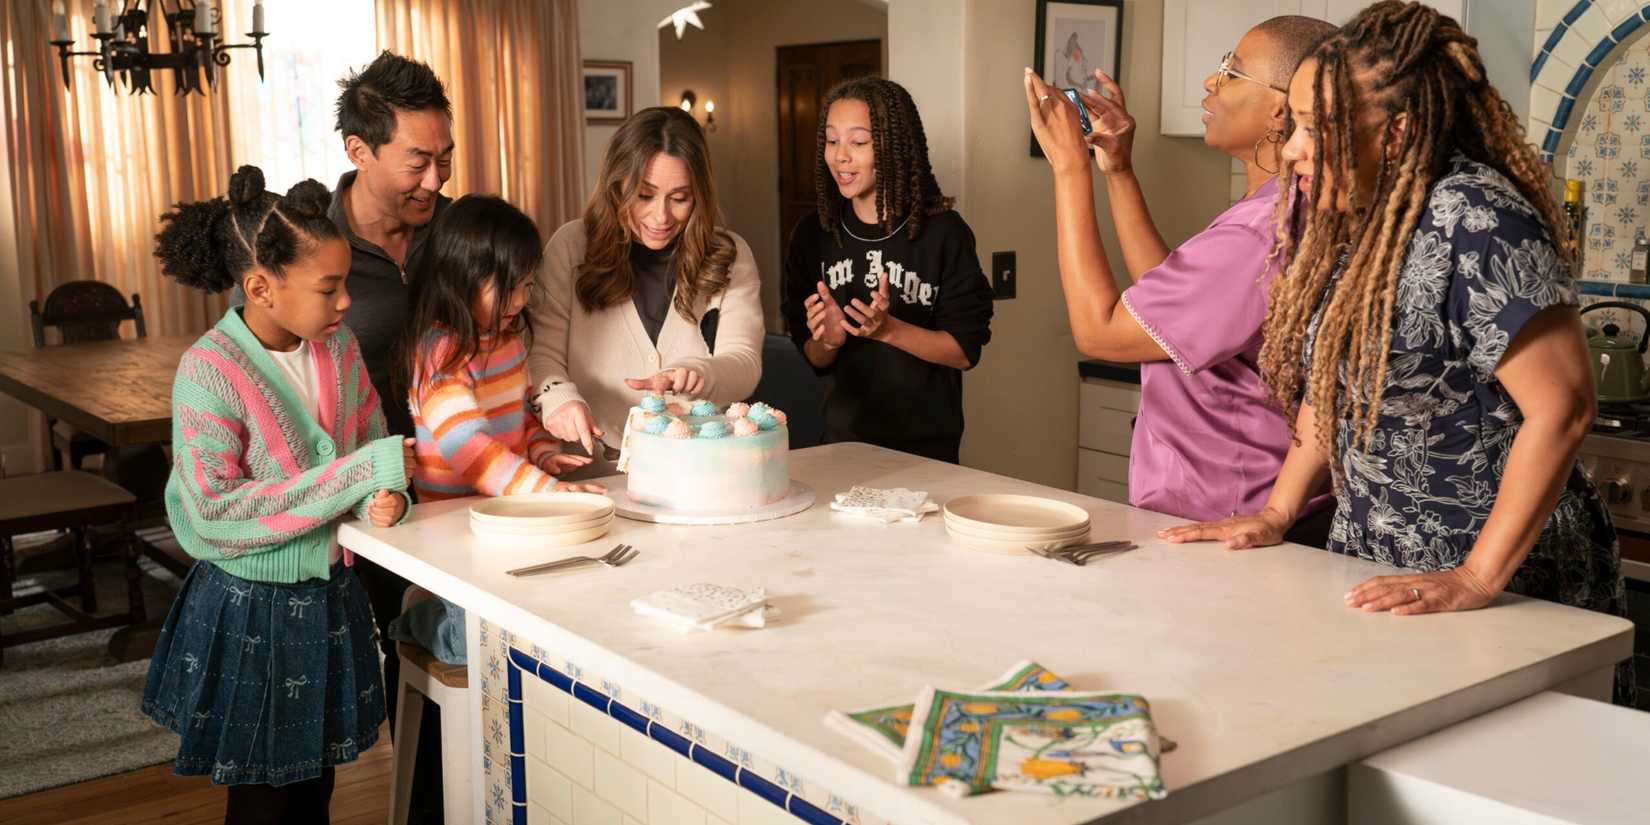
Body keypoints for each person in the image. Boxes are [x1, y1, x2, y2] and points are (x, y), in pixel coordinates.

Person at [1160, 1, 1633, 704]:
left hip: (1505, 590)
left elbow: (1563, 406)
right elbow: (1338, 384)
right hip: (1380, 571)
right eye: (1293, 125)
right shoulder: (1363, 214)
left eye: (1317, 129)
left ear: (1399, 131)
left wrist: (1476, 577)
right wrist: (1277, 512)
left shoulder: (1477, 218)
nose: (1290, 150)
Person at [141, 166, 410, 822]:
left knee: (316, 789)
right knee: (263, 798)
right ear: (261, 286)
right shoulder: (209, 371)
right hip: (253, 611)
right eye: (329, 287)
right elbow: (216, 509)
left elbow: (369, 447)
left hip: (329, 602)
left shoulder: (338, 348)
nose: (346, 301)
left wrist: (387, 498)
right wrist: (360, 475)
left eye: (346, 282)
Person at [1023, 17, 1336, 542]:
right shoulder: (1286, 208)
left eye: (1231, 72)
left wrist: (1069, 169)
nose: (1211, 84)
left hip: (1228, 515)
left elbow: (1100, 332)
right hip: (1259, 507)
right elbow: (1170, 310)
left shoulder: (1260, 233)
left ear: (1282, 109)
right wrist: (1117, 171)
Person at [388, 194, 604, 664]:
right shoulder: (439, 354)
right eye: (511, 288)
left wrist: (545, 453)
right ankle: (417, 617)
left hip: (507, 520)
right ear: (465, 277)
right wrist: (546, 491)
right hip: (451, 528)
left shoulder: (508, 345)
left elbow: (520, 420)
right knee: (477, 645)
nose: (523, 301)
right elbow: (473, 452)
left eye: (528, 286)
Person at [530, 107, 763, 465]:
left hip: (696, 466)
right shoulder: (571, 247)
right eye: (644, 195)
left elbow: (744, 363)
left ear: (699, 195)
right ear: (617, 184)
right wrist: (558, 399)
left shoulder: (730, 256)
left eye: (680, 198)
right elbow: (541, 354)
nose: (661, 216)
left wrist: (699, 372)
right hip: (588, 471)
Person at [781, 77, 994, 464]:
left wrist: (889, 330)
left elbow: (965, 351)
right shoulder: (813, 236)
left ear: (895, 148)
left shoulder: (944, 234)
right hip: (842, 448)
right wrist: (827, 342)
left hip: (928, 452)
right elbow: (813, 358)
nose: (840, 156)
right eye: (831, 140)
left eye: (858, 142)